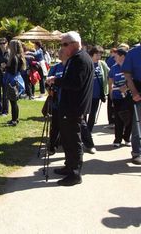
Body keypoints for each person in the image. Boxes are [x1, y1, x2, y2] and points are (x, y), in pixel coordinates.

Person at [47, 31, 93, 186]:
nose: (62, 47)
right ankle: (69, 167)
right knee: (67, 139)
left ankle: (75, 174)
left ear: (74, 44)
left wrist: (56, 81)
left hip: (74, 107)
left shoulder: (80, 59)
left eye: (65, 44)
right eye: (62, 44)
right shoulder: (76, 58)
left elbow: (75, 83)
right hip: (69, 106)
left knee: (74, 141)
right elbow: (72, 80)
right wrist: (57, 80)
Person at [81, 45, 109, 154]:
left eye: (100, 54)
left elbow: (109, 74)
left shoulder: (102, 64)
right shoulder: (86, 63)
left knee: (92, 116)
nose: (99, 56)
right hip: (86, 96)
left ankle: (88, 134)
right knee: (84, 117)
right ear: (92, 54)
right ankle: (85, 137)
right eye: (97, 54)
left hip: (97, 96)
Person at [108, 48, 132, 147]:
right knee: (118, 119)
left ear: (122, 56)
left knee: (129, 119)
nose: (114, 58)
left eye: (116, 56)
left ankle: (127, 138)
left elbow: (134, 80)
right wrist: (111, 97)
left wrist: (126, 87)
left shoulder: (130, 67)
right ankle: (117, 139)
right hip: (117, 97)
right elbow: (110, 83)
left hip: (129, 96)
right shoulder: (113, 68)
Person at [46, 48, 68, 155]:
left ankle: (65, 144)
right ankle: (52, 146)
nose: (59, 55)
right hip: (56, 102)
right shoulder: (55, 68)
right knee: (55, 125)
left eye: (61, 52)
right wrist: (49, 87)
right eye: (59, 53)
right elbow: (47, 83)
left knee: (66, 126)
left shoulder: (70, 68)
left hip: (68, 102)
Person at [122, 43, 141, 165]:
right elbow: (127, 74)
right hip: (138, 88)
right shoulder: (133, 53)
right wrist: (134, 91)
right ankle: (137, 152)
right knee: (138, 124)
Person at [4, 40, 26, 126]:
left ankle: (14, 121)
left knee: (13, 101)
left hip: (13, 80)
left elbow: (13, 71)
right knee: (14, 101)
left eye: (10, 45)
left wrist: (6, 67)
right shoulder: (19, 56)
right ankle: (15, 119)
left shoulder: (14, 58)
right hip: (17, 79)